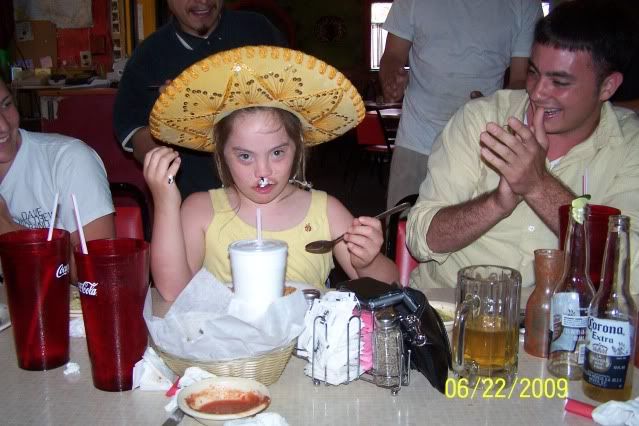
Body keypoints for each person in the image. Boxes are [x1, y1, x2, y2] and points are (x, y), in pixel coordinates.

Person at [406, 0, 639, 293]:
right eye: (533, 72)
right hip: (451, 309)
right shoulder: (481, 120)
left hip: (560, 328)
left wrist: (538, 185)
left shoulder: (630, 146)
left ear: (607, 87)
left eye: (559, 82)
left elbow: (630, 271)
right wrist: (498, 203)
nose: (538, 92)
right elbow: (422, 238)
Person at [144, 46, 399, 301]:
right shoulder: (201, 210)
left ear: (297, 148)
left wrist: (368, 262)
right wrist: (165, 202)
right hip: (227, 340)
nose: (263, 171)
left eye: (277, 153)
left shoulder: (325, 211)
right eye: (245, 156)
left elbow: (390, 285)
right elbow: (173, 291)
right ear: (221, 154)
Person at [113, 0, 287, 200]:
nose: (202, 1)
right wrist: (172, 119)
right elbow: (138, 145)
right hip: (194, 204)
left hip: (273, 193)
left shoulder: (258, 30)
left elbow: (298, 109)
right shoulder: (148, 56)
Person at [380, 0, 543, 209]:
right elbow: (392, 55)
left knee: (471, 230)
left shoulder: (524, 4)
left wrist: (494, 105)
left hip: (481, 141)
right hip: (417, 137)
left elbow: (521, 80)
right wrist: (391, 77)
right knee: (401, 224)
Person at [0, 79, 115, 279]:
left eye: (6, 104)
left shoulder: (69, 160)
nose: (2, 125)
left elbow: (97, 274)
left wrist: (10, 231)